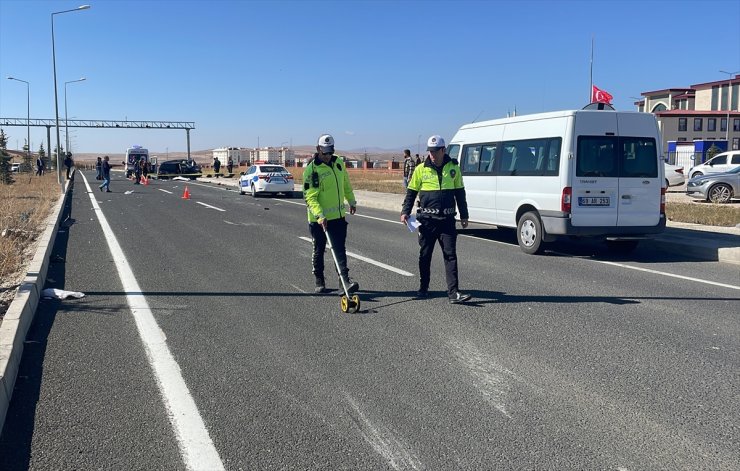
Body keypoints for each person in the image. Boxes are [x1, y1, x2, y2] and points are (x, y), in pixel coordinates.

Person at [401, 135, 471, 304]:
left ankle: (453, 292)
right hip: (427, 221)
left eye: (434, 151)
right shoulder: (420, 169)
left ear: (443, 150)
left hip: (447, 220)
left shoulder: (453, 167)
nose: (431, 154)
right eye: (429, 151)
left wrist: (464, 214)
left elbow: (460, 193)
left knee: (450, 255)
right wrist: (405, 211)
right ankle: (423, 287)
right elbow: (411, 193)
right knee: (425, 255)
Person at [303, 134, 359, 294]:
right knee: (319, 249)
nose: (328, 156)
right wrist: (320, 215)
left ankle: (345, 282)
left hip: (338, 217)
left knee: (339, 249)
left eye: (330, 152)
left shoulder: (338, 163)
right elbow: (310, 197)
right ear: (318, 149)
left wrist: (351, 201)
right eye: (325, 152)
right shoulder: (312, 170)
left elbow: (345, 183)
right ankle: (319, 280)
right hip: (319, 220)